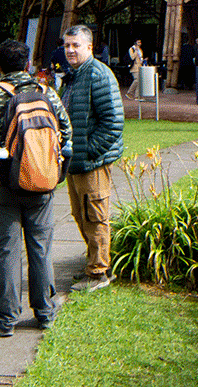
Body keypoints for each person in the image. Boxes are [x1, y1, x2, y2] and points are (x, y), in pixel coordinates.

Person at [0, 40, 70, 338]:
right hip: (41, 182)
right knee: (40, 248)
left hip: (1, 183)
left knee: (8, 250)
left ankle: (7, 318)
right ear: (27, 65)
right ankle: (45, 312)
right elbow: (66, 131)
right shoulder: (46, 93)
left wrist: (1, 148)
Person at [59, 25, 123, 292]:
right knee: (80, 213)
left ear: (89, 47)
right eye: (67, 46)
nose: (70, 50)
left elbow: (113, 123)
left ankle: (99, 273)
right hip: (75, 162)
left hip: (91, 162)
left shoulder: (98, 74)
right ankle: (92, 264)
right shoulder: (74, 76)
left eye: (76, 45)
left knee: (95, 215)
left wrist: (88, 153)